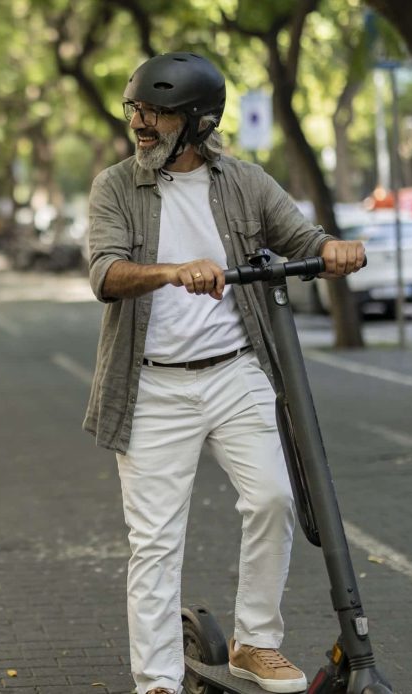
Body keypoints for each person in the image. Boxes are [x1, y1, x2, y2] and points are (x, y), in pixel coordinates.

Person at [83, 53, 365, 694]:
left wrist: (332, 250)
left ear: (198, 122)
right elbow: (104, 272)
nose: (141, 124)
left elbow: (302, 239)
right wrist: (171, 272)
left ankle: (254, 643)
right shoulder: (116, 186)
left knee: (273, 499)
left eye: (155, 114)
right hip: (151, 384)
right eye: (136, 111)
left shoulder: (243, 183)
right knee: (154, 539)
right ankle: (156, 680)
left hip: (236, 373)